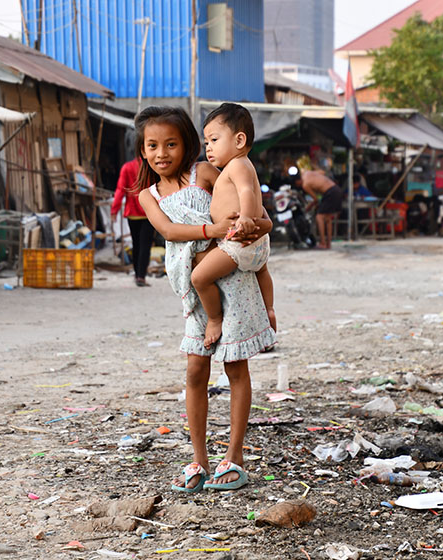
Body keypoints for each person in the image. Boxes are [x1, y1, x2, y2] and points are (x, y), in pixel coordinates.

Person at [136, 106, 276, 494]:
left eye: (171, 144)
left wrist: (255, 226)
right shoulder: (148, 195)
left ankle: (235, 456)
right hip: (195, 292)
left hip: (232, 279)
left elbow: (254, 210)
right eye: (152, 145)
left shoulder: (205, 173)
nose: (161, 152)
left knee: (235, 369)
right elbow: (169, 229)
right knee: (196, 370)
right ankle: (199, 457)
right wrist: (212, 228)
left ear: (188, 146)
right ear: (142, 150)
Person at [191, 102, 275, 349]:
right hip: (258, 244)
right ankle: (268, 310)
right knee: (262, 272)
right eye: (206, 143)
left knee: (199, 278)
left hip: (238, 241)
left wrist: (247, 218)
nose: (209, 148)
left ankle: (215, 319)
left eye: (214, 140)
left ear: (239, 140)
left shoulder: (237, 165)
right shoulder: (242, 165)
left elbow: (247, 192)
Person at [110, 158, 154, 286]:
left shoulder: (127, 167)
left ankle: (137, 274)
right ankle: (141, 276)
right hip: (149, 213)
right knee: (146, 245)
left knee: (137, 244)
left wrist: (114, 209)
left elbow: (120, 190)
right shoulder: (151, 167)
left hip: (133, 213)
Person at [296, 167, 344, 249]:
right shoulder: (307, 173)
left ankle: (323, 243)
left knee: (319, 217)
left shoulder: (305, 184)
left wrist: (308, 207)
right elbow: (322, 171)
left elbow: (316, 199)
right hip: (336, 189)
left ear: (297, 181)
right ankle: (328, 244)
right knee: (328, 219)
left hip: (330, 192)